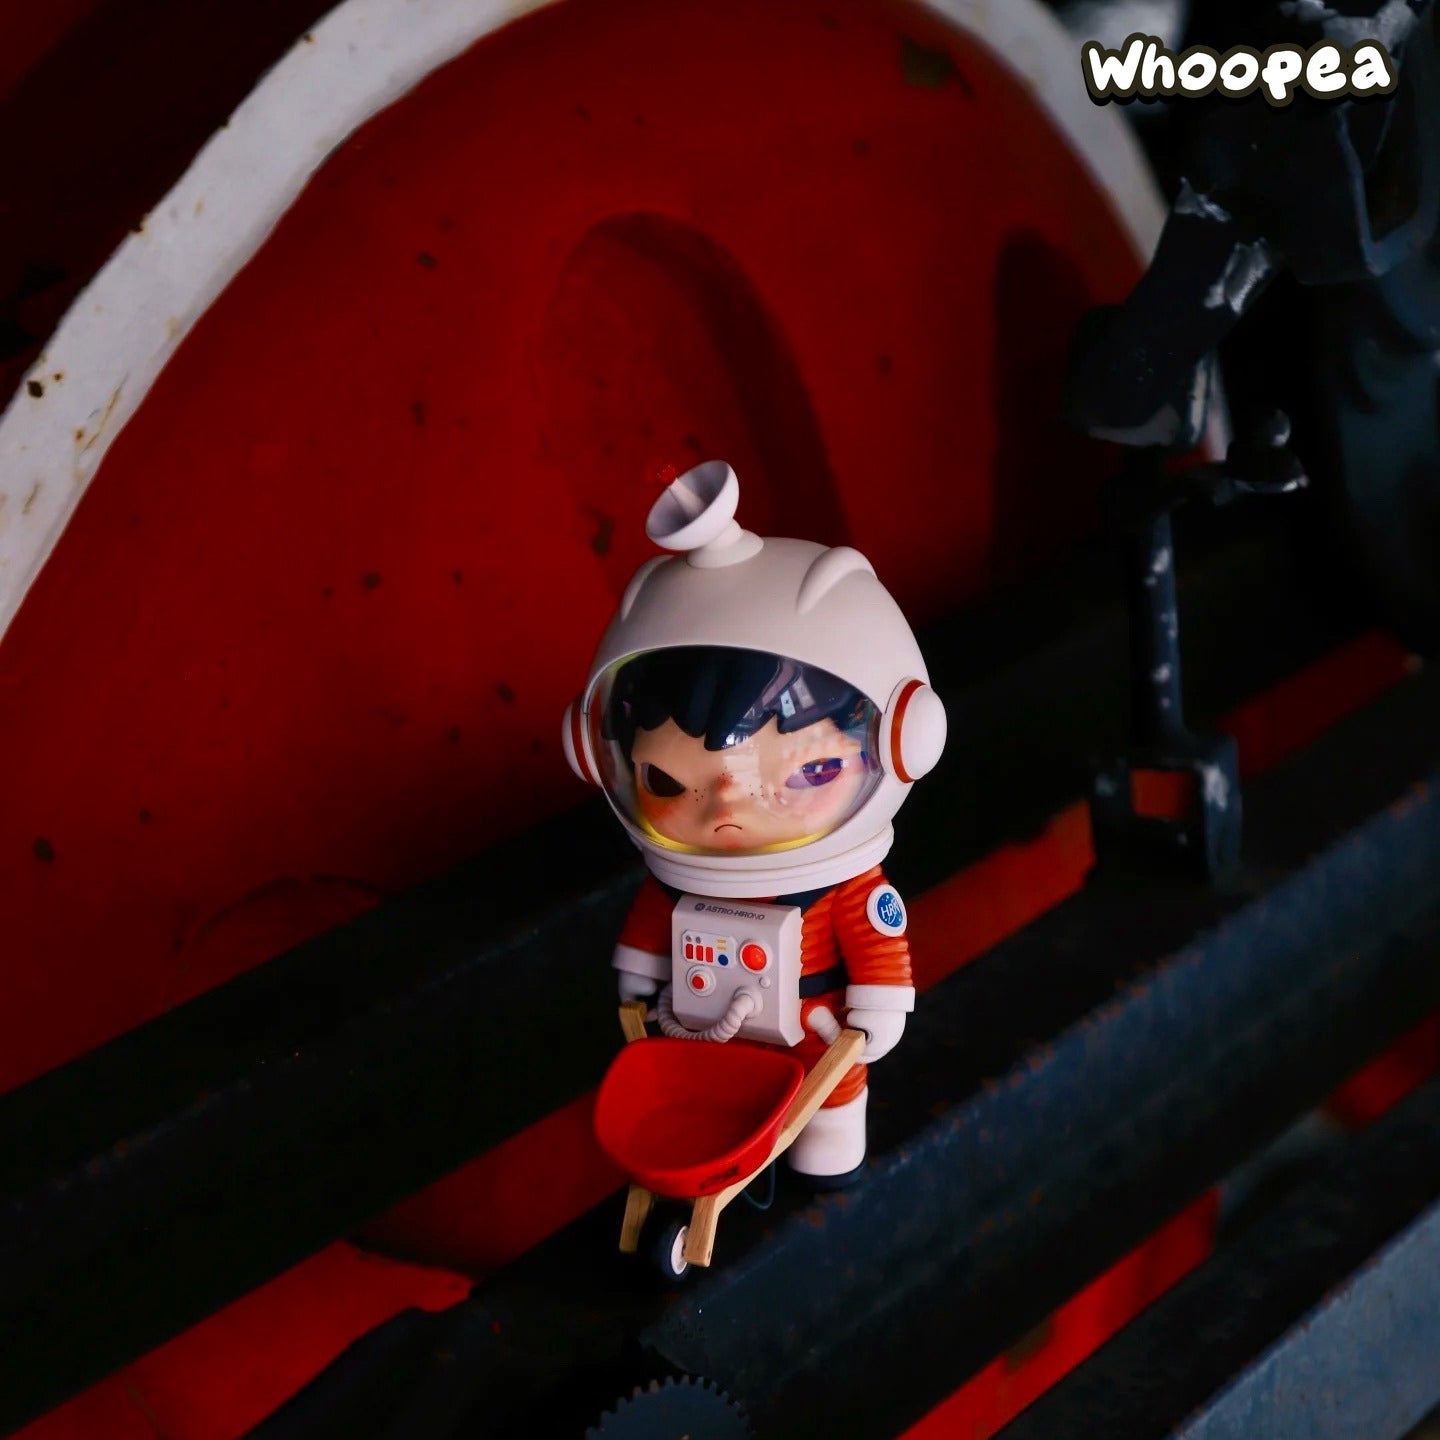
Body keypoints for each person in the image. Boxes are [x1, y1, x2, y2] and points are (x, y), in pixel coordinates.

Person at [562, 460, 945, 1184]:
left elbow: (876, 941)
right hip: (706, 1034)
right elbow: (653, 919)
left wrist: (879, 1010)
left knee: (830, 1118)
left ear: (905, 739)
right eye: (668, 781)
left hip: (816, 1031)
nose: (729, 810)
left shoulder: (846, 887)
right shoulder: (674, 881)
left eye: (807, 773)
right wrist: (640, 978)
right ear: (593, 749)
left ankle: (828, 1155)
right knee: (710, 1110)